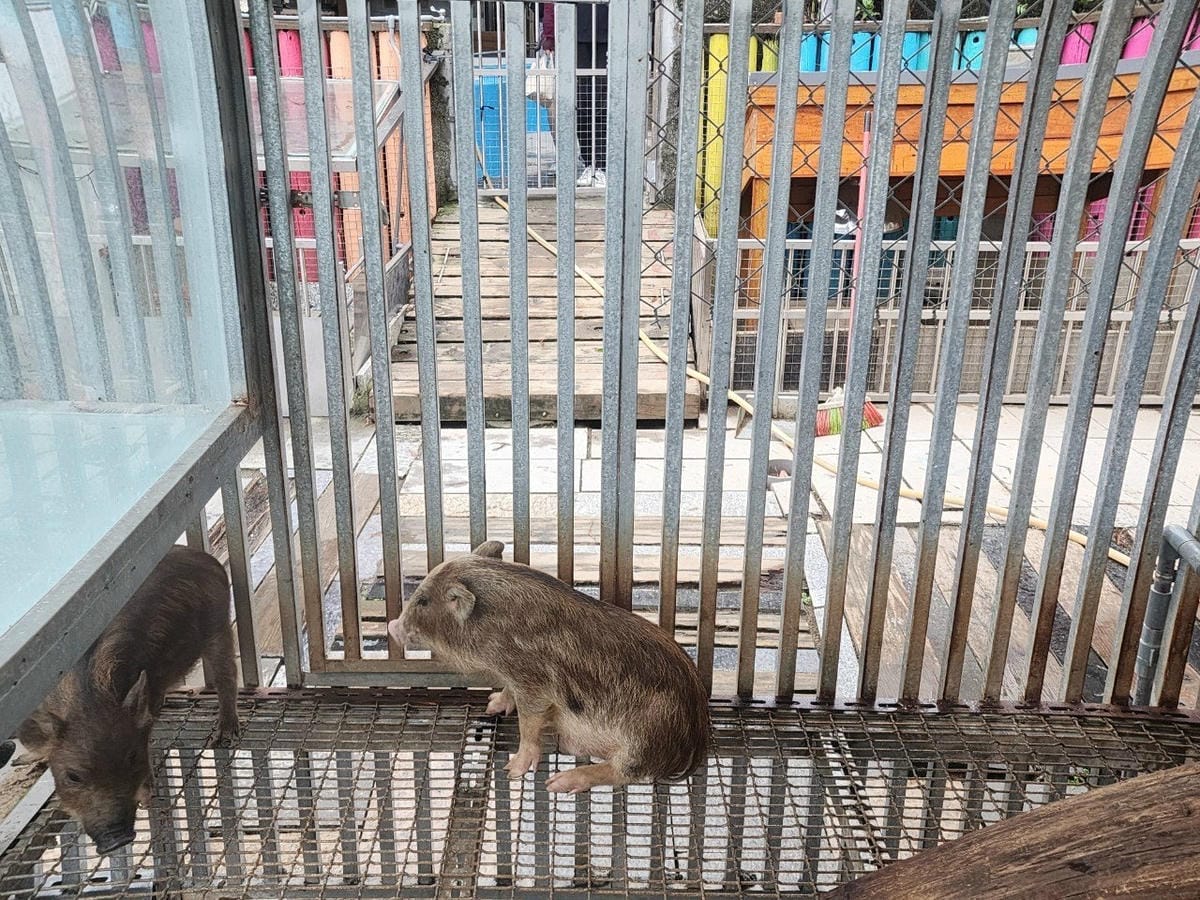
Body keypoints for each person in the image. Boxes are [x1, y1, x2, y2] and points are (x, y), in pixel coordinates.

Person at [541, 3, 608, 188]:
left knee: (605, 102)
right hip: (574, 34)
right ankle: (591, 164)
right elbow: (550, 4)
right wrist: (549, 35)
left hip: (611, 29)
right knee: (583, 102)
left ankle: (602, 165)